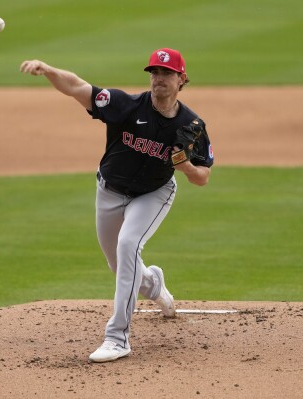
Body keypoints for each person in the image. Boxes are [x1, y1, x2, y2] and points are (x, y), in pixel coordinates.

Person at [20, 48, 214, 363]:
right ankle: (153, 284)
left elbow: (203, 177)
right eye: (154, 72)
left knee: (127, 247)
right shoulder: (125, 105)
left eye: (166, 73)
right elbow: (77, 87)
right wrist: (48, 69)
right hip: (109, 191)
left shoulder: (191, 126)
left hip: (154, 193)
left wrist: (188, 168)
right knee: (119, 264)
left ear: (182, 79)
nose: (158, 79)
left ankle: (117, 337)